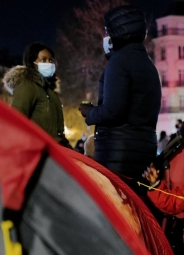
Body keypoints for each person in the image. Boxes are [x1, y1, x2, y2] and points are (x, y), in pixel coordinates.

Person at [79, 5, 160, 186]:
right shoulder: (148, 65)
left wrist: (90, 112)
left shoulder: (119, 62)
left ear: (119, 31)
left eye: (108, 31)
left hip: (118, 153)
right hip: (143, 150)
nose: (106, 36)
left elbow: (114, 110)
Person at [3, 42, 69, 146]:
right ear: (32, 62)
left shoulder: (49, 89)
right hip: (39, 150)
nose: (48, 63)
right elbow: (16, 119)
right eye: (43, 60)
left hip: (56, 149)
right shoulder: (27, 85)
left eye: (50, 60)